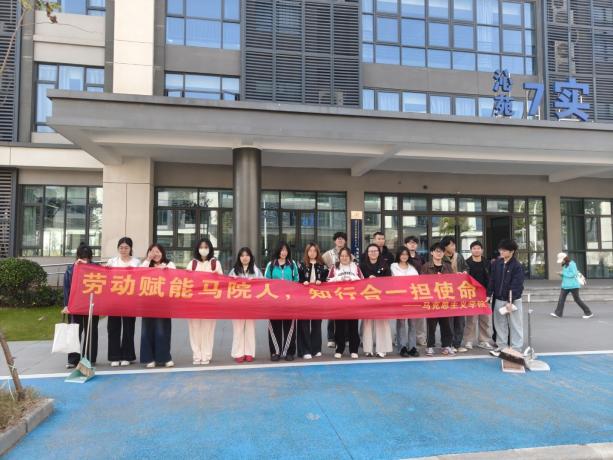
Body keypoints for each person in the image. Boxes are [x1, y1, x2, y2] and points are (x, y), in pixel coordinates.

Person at [185, 238, 223, 365]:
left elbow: (222, 282)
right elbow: (186, 281)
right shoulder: (192, 264)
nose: (203, 249)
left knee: (208, 330)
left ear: (210, 249)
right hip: (194, 303)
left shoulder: (215, 263)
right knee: (194, 329)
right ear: (197, 249)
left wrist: (217, 276)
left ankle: (206, 355)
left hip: (210, 302)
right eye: (201, 247)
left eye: (206, 247)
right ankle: (196, 355)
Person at [105, 237, 140, 367]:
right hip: (114, 299)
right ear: (118, 248)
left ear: (131, 249)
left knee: (128, 328)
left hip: (130, 300)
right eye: (121, 247)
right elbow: (105, 277)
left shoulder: (136, 262)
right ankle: (114, 356)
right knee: (113, 327)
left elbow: (141, 278)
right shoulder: (112, 262)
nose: (123, 250)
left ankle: (127, 356)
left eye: (126, 247)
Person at [63, 243, 99, 369]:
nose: (84, 260)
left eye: (87, 258)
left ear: (90, 257)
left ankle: (89, 358)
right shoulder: (71, 269)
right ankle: (73, 359)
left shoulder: (96, 267)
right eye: (82, 257)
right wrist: (66, 305)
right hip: (75, 305)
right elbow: (66, 288)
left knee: (91, 331)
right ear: (78, 256)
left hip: (91, 304)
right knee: (74, 331)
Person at [140, 244, 175, 368]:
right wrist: (148, 260)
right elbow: (138, 274)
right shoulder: (146, 264)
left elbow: (175, 278)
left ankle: (164, 358)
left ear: (162, 252)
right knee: (147, 330)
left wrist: (165, 270)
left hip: (163, 303)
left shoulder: (169, 264)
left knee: (162, 330)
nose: (155, 254)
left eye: (158, 251)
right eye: (152, 251)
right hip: (148, 303)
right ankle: (149, 358)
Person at [488, 239, 524, 354]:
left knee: (515, 325)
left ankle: (516, 349)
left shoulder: (517, 266)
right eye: (500, 250)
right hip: (499, 298)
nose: (501, 252)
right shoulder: (496, 264)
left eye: (504, 250)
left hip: (513, 301)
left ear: (512, 251)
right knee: (499, 325)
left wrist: (510, 301)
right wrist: (489, 294)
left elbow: (517, 285)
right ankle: (502, 347)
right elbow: (492, 280)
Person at [265, 242, 300, 361]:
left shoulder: (292, 264)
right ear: (278, 251)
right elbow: (266, 282)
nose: (284, 252)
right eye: (281, 250)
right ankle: (275, 352)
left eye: (285, 250)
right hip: (274, 302)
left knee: (289, 327)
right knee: (275, 326)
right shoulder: (271, 265)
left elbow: (297, 280)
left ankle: (289, 352)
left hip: (290, 301)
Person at [228, 247, 263, 363]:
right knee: (238, 329)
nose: (245, 258)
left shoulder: (256, 271)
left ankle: (249, 352)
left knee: (250, 329)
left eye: (247, 255)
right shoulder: (233, 271)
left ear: (251, 257)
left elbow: (262, 286)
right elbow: (228, 287)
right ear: (239, 257)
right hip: (237, 306)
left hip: (251, 306)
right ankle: (238, 353)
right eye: (242, 255)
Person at [328, 247, 363, 359]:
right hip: (339, 301)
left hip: (353, 301)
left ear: (350, 257)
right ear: (339, 257)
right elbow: (328, 282)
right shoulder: (334, 267)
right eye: (342, 256)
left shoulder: (355, 267)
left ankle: (354, 349)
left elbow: (363, 281)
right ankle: (340, 349)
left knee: (353, 326)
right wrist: (338, 279)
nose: (344, 258)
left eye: (346, 256)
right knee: (339, 327)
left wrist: (352, 278)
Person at [360, 243, 393, 358]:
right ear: (367, 253)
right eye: (371, 251)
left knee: (382, 323)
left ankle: (382, 349)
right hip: (367, 298)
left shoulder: (385, 265)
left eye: (375, 251)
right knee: (367, 323)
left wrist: (377, 279)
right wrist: (367, 279)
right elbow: (358, 281)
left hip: (381, 298)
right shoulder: (362, 266)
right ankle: (368, 349)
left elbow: (389, 281)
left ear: (379, 253)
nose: (373, 253)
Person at [422, 242, 454, 357]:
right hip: (432, 300)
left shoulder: (448, 266)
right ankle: (430, 346)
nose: (439, 253)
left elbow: (453, 282)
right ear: (432, 253)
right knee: (431, 325)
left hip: (445, 299)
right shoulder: (426, 266)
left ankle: (447, 345)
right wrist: (435, 280)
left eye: (441, 251)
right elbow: (421, 283)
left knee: (446, 325)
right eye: (436, 251)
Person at [298, 243, 328, 359]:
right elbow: (297, 279)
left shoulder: (322, 265)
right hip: (304, 299)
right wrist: (302, 282)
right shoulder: (301, 264)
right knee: (304, 324)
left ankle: (316, 349)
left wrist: (322, 281)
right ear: (307, 252)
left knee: (317, 324)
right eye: (310, 251)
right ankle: (305, 350)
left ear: (317, 252)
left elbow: (327, 279)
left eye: (314, 251)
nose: (312, 253)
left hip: (318, 299)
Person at [463, 241, 494, 350]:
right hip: (471, 294)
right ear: (471, 250)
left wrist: (489, 293)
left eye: (478, 248)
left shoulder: (487, 263)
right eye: (474, 248)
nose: (476, 250)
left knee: (485, 319)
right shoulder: (466, 263)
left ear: (482, 250)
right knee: (471, 319)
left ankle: (484, 340)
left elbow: (491, 279)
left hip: (485, 295)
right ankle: (468, 341)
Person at [322, 231, 351, 348]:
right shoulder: (327, 255)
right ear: (335, 240)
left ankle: (347, 337)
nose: (340, 240)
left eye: (342, 238)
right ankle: (331, 338)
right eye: (338, 238)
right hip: (333, 288)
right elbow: (322, 269)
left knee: (347, 313)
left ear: (345, 241)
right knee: (332, 313)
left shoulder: (350, 254)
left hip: (347, 289)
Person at [440, 236, 468, 353]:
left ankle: (457, 344)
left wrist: (465, 272)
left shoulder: (459, 257)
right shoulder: (440, 257)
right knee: (448, 320)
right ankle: (448, 344)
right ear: (445, 246)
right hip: (446, 292)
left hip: (459, 292)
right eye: (451, 245)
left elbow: (466, 268)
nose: (453, 247)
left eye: (454, 244)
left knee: (460, 320)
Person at [392, 247, 420, 357]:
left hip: (411, 299)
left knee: (412, 324)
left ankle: (412, 347)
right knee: (401, 324)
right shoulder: (393, 266)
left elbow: (418, 282)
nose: (404, 256)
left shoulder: (412, 268)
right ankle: (402, 347)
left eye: (406, 254)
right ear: (398, 255)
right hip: (399, 299)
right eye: (402, 254)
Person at [551, 252, 593, 319]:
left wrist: (563, 273)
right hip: (565, 285)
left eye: (562, 260)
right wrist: (561, 274)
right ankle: (558, 313)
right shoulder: (565, 265)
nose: (561, 261)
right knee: (561, 299)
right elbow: (566, 275)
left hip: (573, 286)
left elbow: (574, 274)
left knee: (577, 300)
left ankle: (588, 312)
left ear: (565, 258)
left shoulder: (572, 264)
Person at [405, 235, 427, 346]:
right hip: (405, 290)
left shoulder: (421, 258)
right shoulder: (403, 257)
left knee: (420, 315)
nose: (412, 245)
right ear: (406, 245)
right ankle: (400, 339)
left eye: (414, 243)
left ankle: (420, 338)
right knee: (403, 316)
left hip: (418, 289)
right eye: (410, 243)